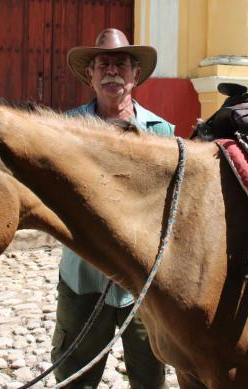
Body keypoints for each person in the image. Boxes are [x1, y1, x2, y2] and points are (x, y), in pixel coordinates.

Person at [51, 28, 172, 389]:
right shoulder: (66, 129)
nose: (112, 71)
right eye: (103, 63)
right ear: (90, 74)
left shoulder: (161, 132)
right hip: (83, 278)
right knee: (74, 376)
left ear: (136, 75)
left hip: (141, 284)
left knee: (150, 376)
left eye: (121, 64)